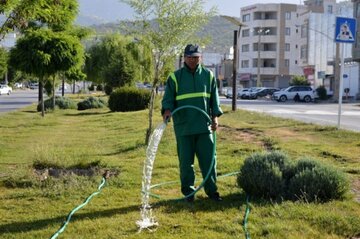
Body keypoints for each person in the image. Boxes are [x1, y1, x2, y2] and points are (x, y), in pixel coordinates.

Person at [161, 44, 223, 202]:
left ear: (200, 57)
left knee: (209, 161)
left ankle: (212, 192)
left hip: (204, 127)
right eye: (190, 57)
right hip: (184, 128)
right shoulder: (175, 77)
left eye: (196, 57)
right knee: (186, 164)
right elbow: (168, 99)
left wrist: (215, 117)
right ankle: (188, 193)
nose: (193, 60)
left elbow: (214, 100)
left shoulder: (208, 76)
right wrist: (167, 110)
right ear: (184, 58)